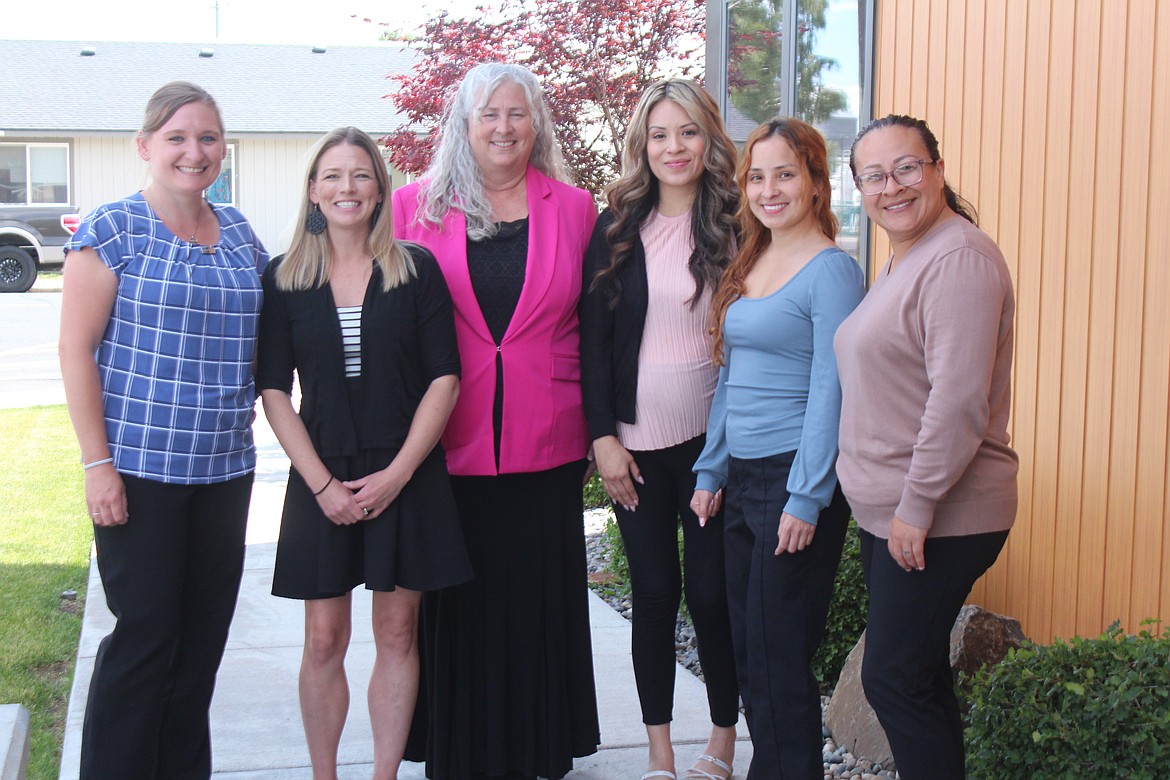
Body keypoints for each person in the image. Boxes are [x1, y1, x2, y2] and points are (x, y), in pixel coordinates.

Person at [392, 63, 600, 780]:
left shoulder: (574, 208)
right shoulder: (413, 207)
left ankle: (541, 746)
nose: (505, 127)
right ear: (464, 123)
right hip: (446, 437)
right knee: (458, 601)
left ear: (535, 123)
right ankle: (458, 746)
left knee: (535, 600)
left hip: (549, 436)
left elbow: (595, 325)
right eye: (490, 115)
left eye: (517, 113)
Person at [58, 81, 268, 780]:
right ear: (145, 147)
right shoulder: (114, 228)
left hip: (224, 473)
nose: (193, 151)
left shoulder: (240, 233)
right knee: (145, 641)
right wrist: (98, 466)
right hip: (139, 472)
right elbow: (75, 349)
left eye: (208, 137)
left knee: (202, 646)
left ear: (223, 150)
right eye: (177, 137)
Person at [255, 127, 472, 780]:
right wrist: (321, 485)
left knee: (398, 634)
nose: (346, 188)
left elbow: (446, 377)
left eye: (359, 175)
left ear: (380, 188)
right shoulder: (285, 278)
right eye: (332, 176)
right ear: (313, 191)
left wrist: (399, 475)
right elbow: (273, 389)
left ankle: (382, 775)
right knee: (324, 639)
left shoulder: (415, 268)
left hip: (403, 473)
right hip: (321, 476)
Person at [834, 114, 1017, 780]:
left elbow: (958, 399)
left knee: (893, 680)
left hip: (939, 515)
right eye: (875, 175)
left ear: (937, 170)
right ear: (860, 188)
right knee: (914, 678)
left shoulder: (958, 257)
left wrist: (915, 505)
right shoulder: (910, 255)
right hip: (897, 512)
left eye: (907, 167)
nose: (893, 186)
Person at [691, 118, 866, 780]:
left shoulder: (833, 272)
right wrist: (711, 468)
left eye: (785, 173)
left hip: (796, 482)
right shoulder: (754, 259)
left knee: (778, 652)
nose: (769, 189)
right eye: (756, 176)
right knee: (747, 647)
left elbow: (832, 389)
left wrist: (807, 495)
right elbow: (733, 376)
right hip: (742, 478)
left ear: (816, 182)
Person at [579, 79, 739, 780]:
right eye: (661, 134)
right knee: (652, 593)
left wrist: (728, 452)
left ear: (710, 140)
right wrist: (602, 438)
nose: (675, 147)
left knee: (710, 593)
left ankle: (724, 738)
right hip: (634, 448)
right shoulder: (613, 227)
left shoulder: (737, 225)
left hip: (711, 446)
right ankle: (659, 751)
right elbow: (590, 341)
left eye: (689, 132)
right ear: (643, 144)